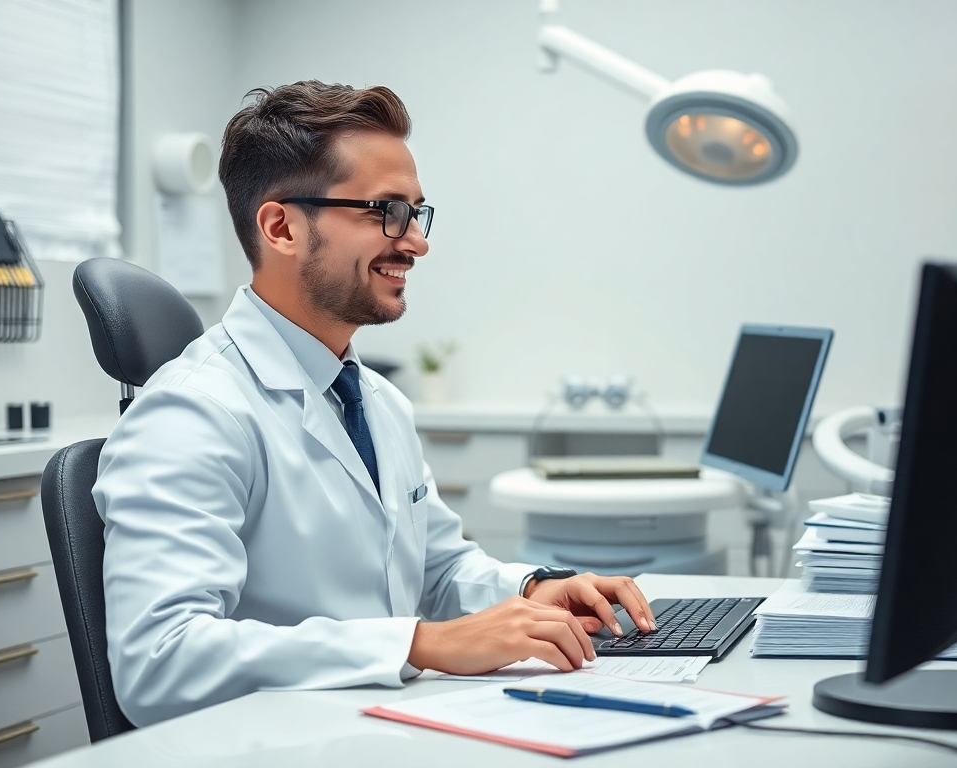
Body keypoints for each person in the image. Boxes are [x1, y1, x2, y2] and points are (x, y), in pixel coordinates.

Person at [93, 81, 656, 728]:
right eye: (386, 211)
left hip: (375, 726)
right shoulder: (190, 416)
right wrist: (420, 644)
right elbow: (159, 662)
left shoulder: (377, 401)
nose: (416, 242)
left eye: (417, 213)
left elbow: (439, 571)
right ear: (281, 227)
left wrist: (532, 591)